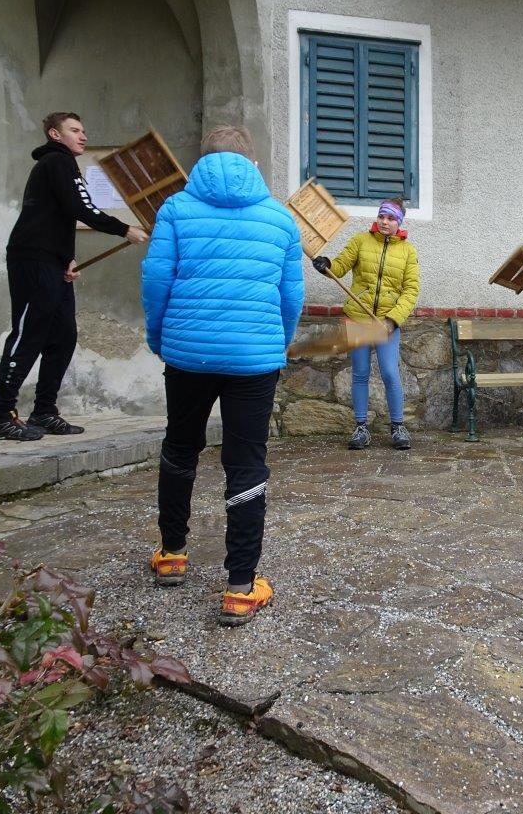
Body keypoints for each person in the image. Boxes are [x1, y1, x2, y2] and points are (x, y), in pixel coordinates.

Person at [141, 125, 303, 627]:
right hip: (254, 359)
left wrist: (159, 336)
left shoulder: (175, 209)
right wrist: (277, 341)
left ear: (201, 161)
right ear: (253, 163)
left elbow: (156, 281)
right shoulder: (280, 217)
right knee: (247, 464)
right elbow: (291, 295)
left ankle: (172, 553)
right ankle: (239, 588)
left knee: (180, 447)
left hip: (188, 354)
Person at [0, 112, 149, 441]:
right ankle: (1, 414)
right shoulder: (56, 161)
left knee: (63, 337)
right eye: (74, 130)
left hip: (52, 261)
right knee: (27, 334)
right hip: (32, 259)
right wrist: (123, 229)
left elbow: (58, 215)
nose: (83, 135)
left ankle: (44, 411)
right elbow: (79, 207)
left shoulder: (63, 164)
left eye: (83, 129)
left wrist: (66, 258)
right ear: (55, 134)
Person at [311, 198, 420, 451]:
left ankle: (398, 427)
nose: (384, 222)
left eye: (390, 218)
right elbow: (340, 266)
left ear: (399, 222)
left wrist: (392, 320)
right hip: (359, 318)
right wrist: (326, 265)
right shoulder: (360, 241)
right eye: (381, 216)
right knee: (360, 373)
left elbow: (411, 290)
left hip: (386, 323)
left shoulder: (408, 252)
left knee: (390, 373)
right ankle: (361, 427)